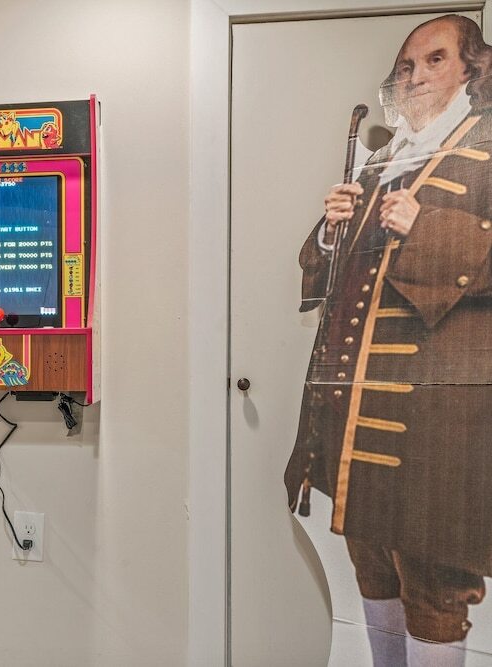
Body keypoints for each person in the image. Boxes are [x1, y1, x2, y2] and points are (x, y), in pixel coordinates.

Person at [284, 15, 492, 667]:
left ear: (473, 70)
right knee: (371, 565)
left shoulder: (487, 151)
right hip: (353, 415)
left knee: (434, 582)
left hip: (436, 421)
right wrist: (331, 231)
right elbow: (325, 276)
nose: (416, 76)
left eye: (435, 60)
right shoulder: (384, 160)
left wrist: (426, 227)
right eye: (406, 66)